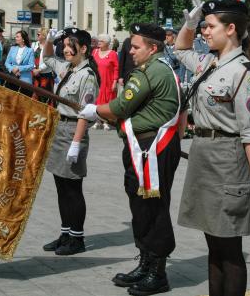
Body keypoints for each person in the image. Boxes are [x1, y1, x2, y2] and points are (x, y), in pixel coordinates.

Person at [79, 23, 185, 296]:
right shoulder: (160, 70)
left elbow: (121, 106)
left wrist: (94, 110)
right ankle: (147, 262)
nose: (131, 51)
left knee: (152, 206)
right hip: (148, 146)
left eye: (136, 47)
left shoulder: (150, 72)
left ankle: (158, 272)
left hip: (151, 147)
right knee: (141, 204)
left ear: (153, 48)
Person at [175, 0, 250, 296]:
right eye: (203, 26)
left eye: (210, 25)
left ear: (231, 29)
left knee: (229, 249)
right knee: (213, 246)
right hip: (203, 155)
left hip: (228, 160)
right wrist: (189, 24)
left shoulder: (244, 73)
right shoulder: (209, 62)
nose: (205, 31)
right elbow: (180, 49)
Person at [41, 27, 99, 256]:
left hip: (74, 129)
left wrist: (76, 143)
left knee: (73, 188)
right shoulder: (68, 67)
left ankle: (77, 237)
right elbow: (46, 58)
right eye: (63, 45)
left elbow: (86, 112)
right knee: (61, 186)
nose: (65, 50)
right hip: (59, 127)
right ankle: (65, 233)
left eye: (69, 45)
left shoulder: (88, 76)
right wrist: (47, 40)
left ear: (83, 48)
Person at [92, 33, 119, 130]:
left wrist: (115, 82)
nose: (99, 42)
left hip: (108, 81)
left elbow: (116, 68)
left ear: (107, 43)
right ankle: (98, 121)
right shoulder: (94, 52)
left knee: (106, 102)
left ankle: (106, 122)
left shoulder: (112, 53)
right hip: (96, 81)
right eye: (99, 40)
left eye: (101, 41)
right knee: (96, 100)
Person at [4, 30, 35, 96]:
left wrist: (18, 68)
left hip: (25, 81)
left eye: (17, 37)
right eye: (16, 37)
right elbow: (7, 63)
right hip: (12, 79)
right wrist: (13, 69)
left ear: (23, 39)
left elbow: (31, 66)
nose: (16, 38)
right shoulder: (12, 48)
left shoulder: (30, 50)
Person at [31, 28, 55, 103]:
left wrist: (39, 69)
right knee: (34, 98)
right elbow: (31, 57)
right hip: (35, 74)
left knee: (45, 98)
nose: (37, 35)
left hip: (46, 76)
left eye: (38, 34)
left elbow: (50, 60)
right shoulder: (34, 45)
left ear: (44, 36)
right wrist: (34, 68)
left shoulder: (51, 46)